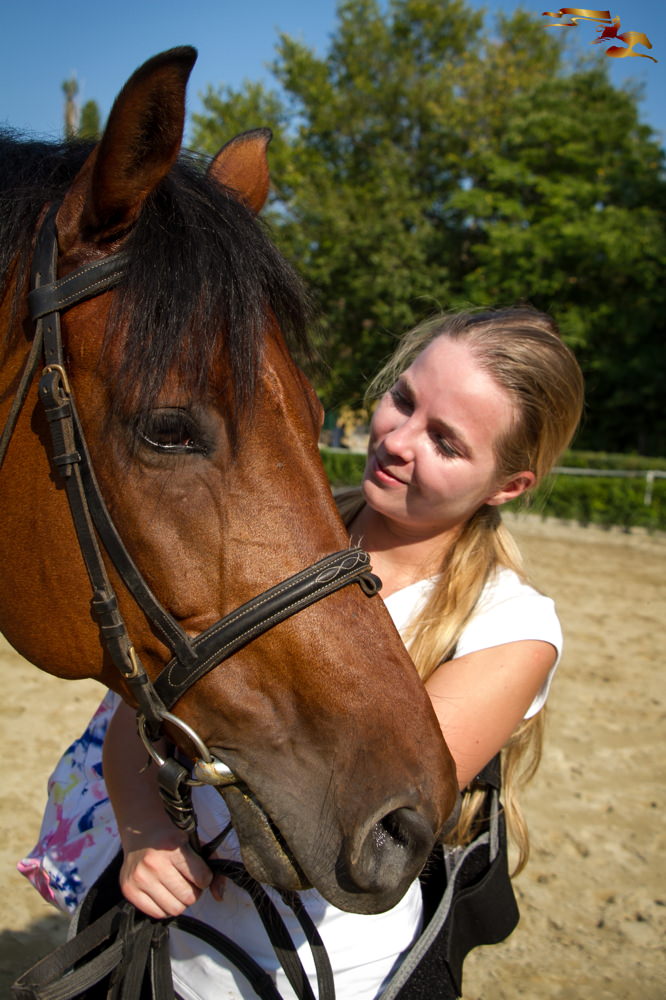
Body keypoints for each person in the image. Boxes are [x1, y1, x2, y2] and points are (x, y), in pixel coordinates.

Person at [19, 306, 584, 999]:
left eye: (445, 440)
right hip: (156, 935)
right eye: (402, 400)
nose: (398, 439)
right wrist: (143, 830)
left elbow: (372, 802)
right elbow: (137, 721)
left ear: (509, 485)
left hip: (321, 973)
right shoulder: (273, 539)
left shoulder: (511, 629)